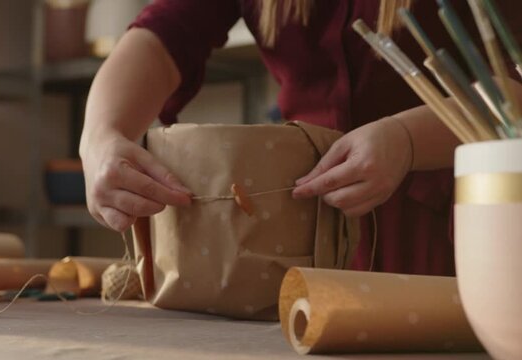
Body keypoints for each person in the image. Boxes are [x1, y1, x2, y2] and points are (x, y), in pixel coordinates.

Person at [79, 0, 522, 276]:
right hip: (298, 231)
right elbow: (162, 38)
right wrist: (100, 138)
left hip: (462, 229)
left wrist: (408, 139)